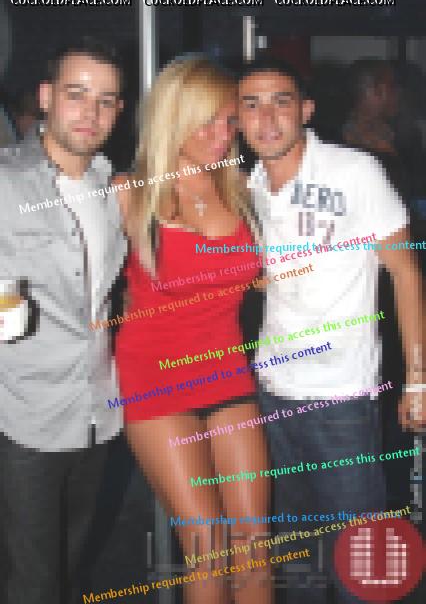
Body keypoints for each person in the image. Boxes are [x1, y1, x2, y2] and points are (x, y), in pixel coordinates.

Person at [237, 57, 425, 603]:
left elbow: (405, 272)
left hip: (342, 396)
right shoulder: (247, 186)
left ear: (307, 110)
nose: (267, 118)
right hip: (271, 392)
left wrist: (417, 379)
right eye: (252, 105)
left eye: (281, 102)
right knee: (298, 557)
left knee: (356, 561)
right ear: (238, 119)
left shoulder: (355, 171)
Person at [115, 57, 272, 604]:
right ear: (172, 117)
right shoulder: (129, 193)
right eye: (207, 121)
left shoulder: (243, 189)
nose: (222, 135)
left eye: (229, 122)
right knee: (208, 547)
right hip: (155, 383)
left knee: (255, 543)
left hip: (227, 373)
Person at [0, 36, 127, 604]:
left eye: (105, 100)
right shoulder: (6, 182)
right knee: (33, 582)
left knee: (72, 568)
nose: (90, 112)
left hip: (96, 411)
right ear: (47, 97)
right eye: (77, 95)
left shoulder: (110, 186)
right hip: (21, 417)